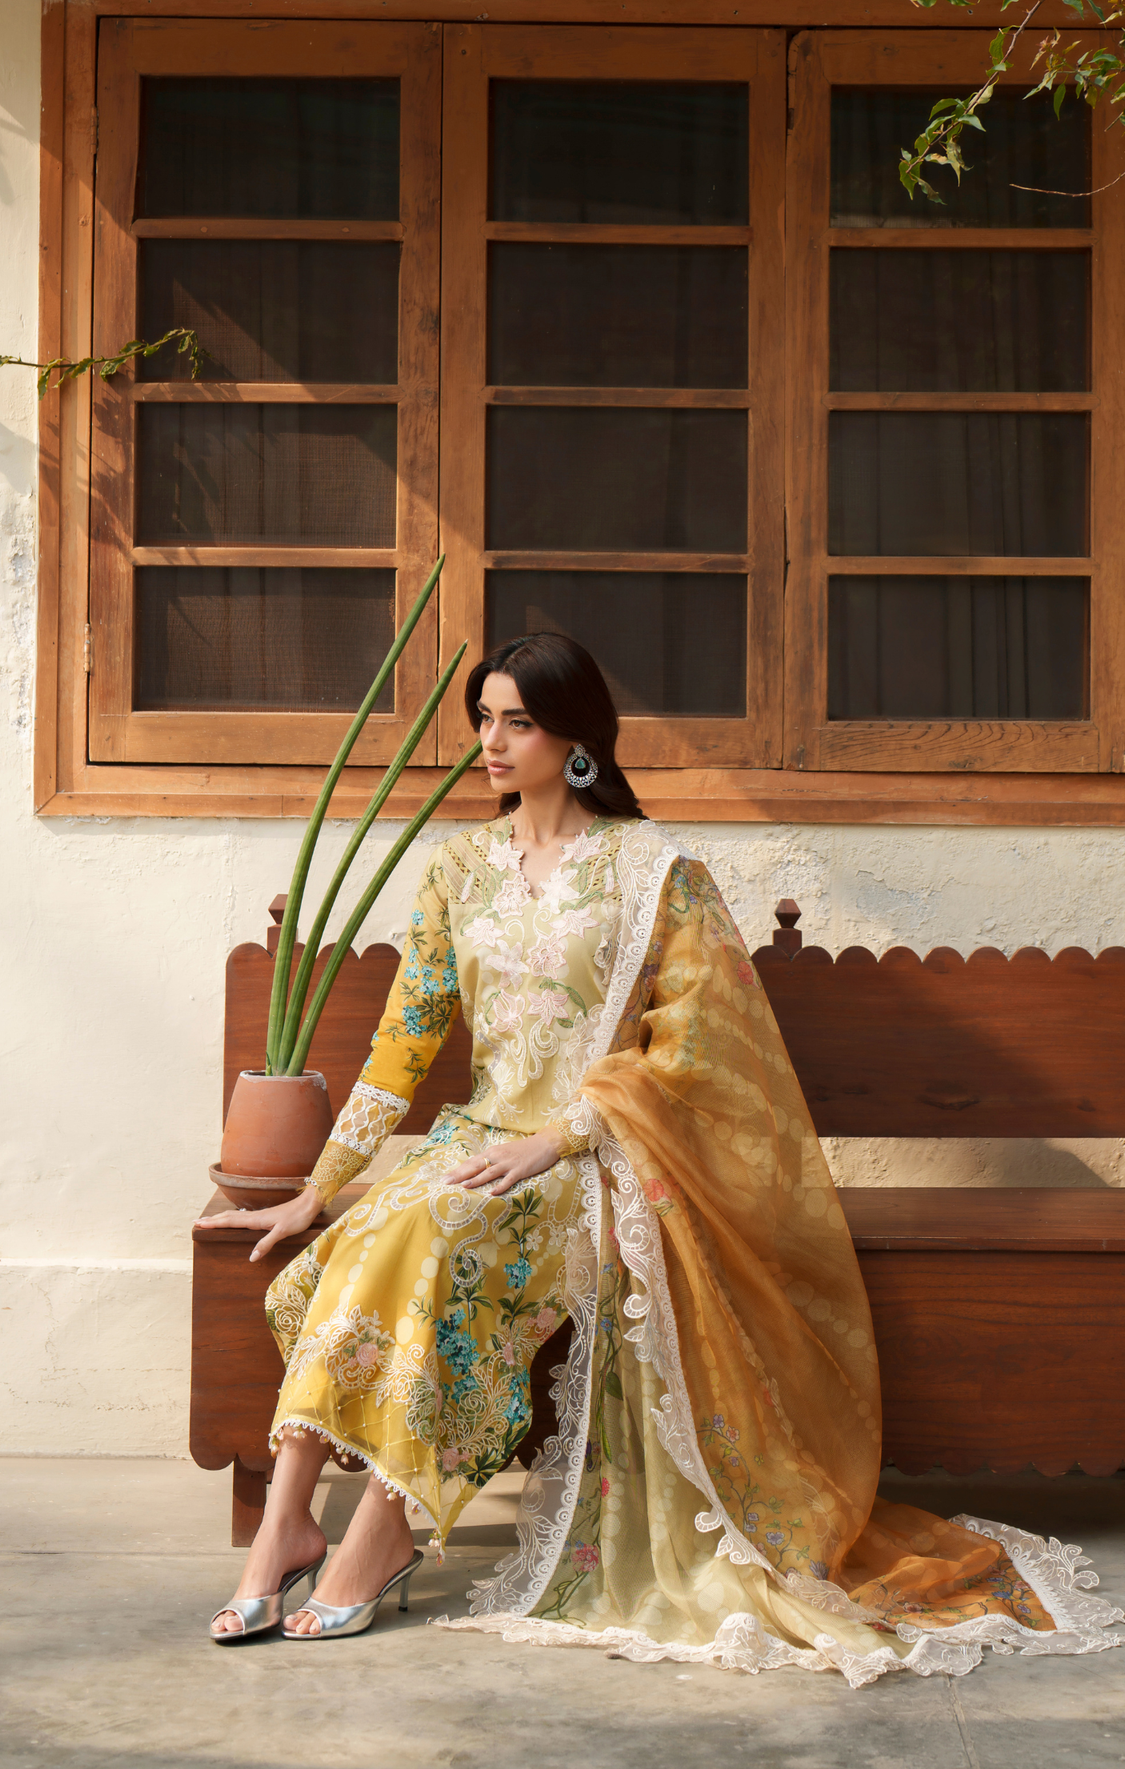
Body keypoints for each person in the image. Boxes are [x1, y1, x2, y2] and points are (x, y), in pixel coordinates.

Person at [198, 632, 1120, 1681]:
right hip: (477, 1141)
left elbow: (701, 1048)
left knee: (435, 1238)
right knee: (369, 1234)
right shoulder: (457, 869)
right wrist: (319, 1189)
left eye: (517, 722)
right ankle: (289, 1524)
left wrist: (563, 1136)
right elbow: (402, 1044)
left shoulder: (654, 872)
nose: (490, 742)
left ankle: (381, 1525)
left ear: (575, 737)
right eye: (484, 719)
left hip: (592, 1156)